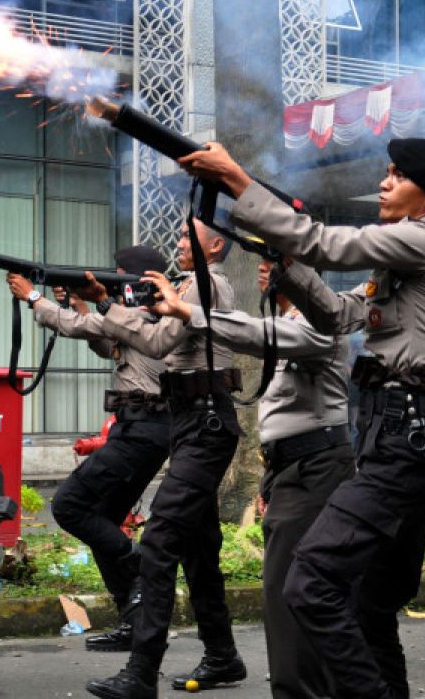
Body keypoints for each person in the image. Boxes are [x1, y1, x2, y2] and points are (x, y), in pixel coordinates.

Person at [180, 136, 425, 699]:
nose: (384, 183)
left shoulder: (422, 240)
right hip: (398, 438)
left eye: (397, 175)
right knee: (371, 604)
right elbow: (337, 314)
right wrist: (286, 268)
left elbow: (323, 242)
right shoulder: (403, 260)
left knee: (311, 581)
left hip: (409, 440)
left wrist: (240, 182)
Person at [151, 257, 355, 699]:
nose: (264, 271)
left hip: (317, 467)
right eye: (262, 263)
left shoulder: (320, 322)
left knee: (291, 590)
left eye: (278, 263)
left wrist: (190, 311)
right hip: (292, 468)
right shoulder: (287, 319)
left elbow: (253, 332)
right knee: (294, 588)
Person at [85, 217, 247, 699]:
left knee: (158, 541)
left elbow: (155, 342)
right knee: (198, 550)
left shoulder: (203, 285)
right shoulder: (185, 287)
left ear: (215, 246)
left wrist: (105, 306)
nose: (176, 244)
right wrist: (106, 304)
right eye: (176, 236)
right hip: (189, 422)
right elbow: (148, 332)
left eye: (186, 238)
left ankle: (141, 673)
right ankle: (222, 655)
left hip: (206, 425)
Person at [5, 245, 171, 653]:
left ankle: (137, 564)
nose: (109, 282)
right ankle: (133, 621)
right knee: (102, 520)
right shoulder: (137, 316)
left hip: (143, 430)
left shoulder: (150, 314)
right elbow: (105, 342)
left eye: (116, 275)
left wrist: (32, 297)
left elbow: (85, 330)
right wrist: (81, 303)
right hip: (137, 428)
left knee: (69, 506)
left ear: (134, 280)